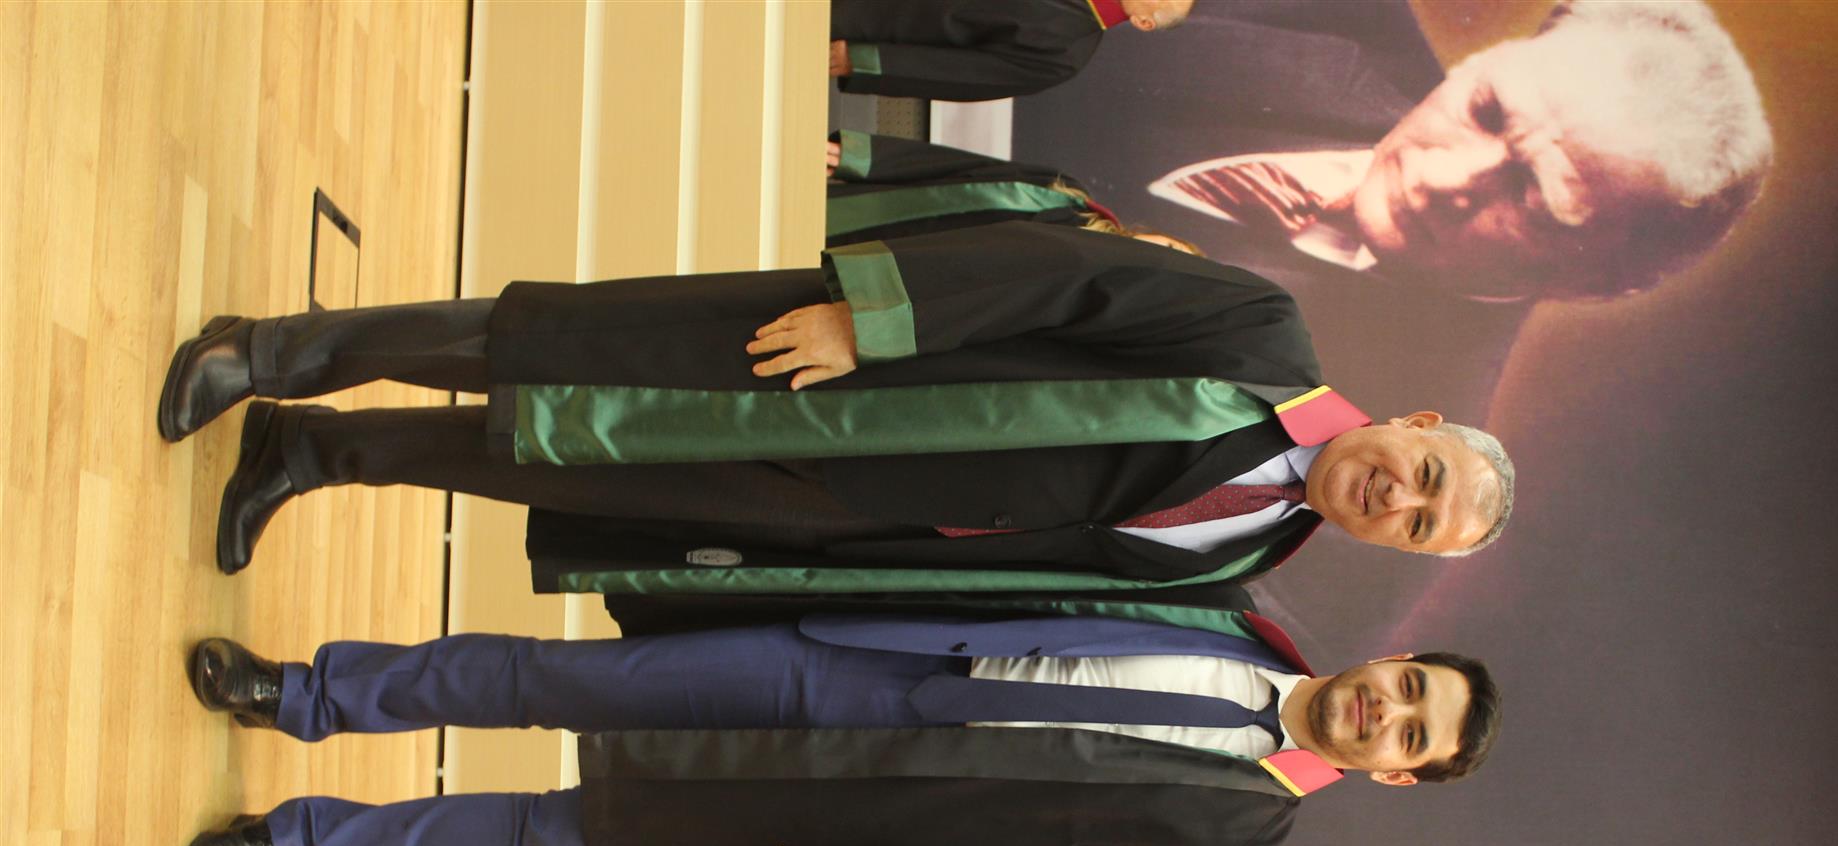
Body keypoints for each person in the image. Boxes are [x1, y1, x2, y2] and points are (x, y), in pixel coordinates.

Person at [157, 222, 1515, 607]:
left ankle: (316, 452)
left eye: (1419, 524)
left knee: (545, 459)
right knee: (548, 348)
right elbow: (1070, 274)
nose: (1398, 497)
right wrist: (879, 318)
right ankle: (274, 354)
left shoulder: (1243, 562)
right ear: (1416, 418)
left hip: (839, 510)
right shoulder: (1263, 339)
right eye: (1425, 473)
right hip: (854, 378)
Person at [175, 604, 1501, 846]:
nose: (1387, 709)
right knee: (555, 676)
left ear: (1394, 775)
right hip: (866, 667)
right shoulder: (1237, 609)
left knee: (555, 839)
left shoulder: (1243, 843)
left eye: (1409, 734)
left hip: (866, 807)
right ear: (1394, 654)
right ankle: (304, 694)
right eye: (1410, 686)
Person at [1016, 0, 1772, 422]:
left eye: (1534, 197)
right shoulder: (1347, 16)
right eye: (1486, 110)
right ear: (1490, 61)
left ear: (1596, 286)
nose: (1450, 178)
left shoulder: (1389, 459)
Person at [825, 129, 1201, 253]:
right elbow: (963, 167)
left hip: (867, 272)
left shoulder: (1073, 291)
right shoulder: (1067, 194)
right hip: (870, 212)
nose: (1159, 250)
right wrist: (862, 159)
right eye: (1169, 246)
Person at [830, 0, 1194, 103]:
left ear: (1144, 22)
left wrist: (864, 61)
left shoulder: (1066, 55)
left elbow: (964, 74)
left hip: (868, 21)